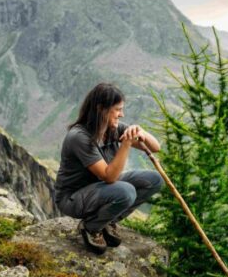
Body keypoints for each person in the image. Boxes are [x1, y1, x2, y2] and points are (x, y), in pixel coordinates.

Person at [53, 83, 163, 254]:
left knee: (154, 180)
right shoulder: (79, 137)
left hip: (101, 189)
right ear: (101, 109)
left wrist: (140, 131)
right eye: (118, 109)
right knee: (126, 191)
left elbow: (155, 147)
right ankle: (91, 227)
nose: (122, 114)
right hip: (73, 198)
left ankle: (106, 220)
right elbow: (109, 176)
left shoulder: (113, 128)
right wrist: (126, 144)